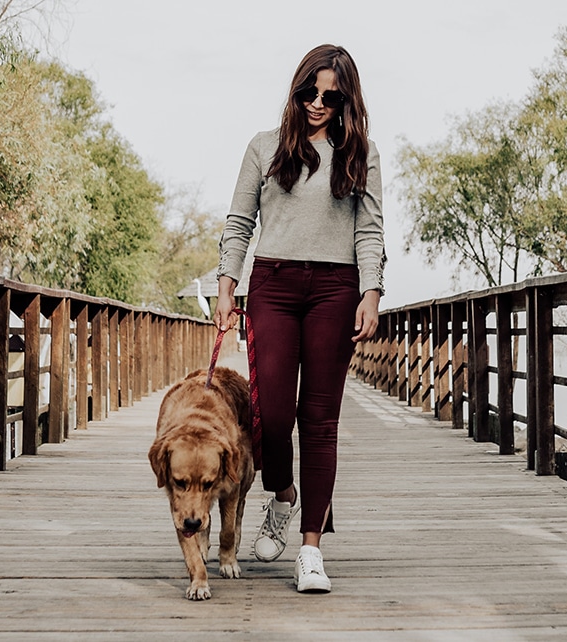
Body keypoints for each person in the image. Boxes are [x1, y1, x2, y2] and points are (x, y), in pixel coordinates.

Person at [214, 44, 385, 594]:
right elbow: (240, 221)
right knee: (273, 416)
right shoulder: (264, 147)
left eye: (331, 96)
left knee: (320, 421)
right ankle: (282, 495)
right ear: (296, 88)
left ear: (345, 99)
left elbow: (370, 230)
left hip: (336, 289)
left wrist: (371, 292)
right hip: (274, 286)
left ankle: (311, 549)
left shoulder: (361, 153)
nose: (317, 102)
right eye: (309, 91)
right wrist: (226, 285)